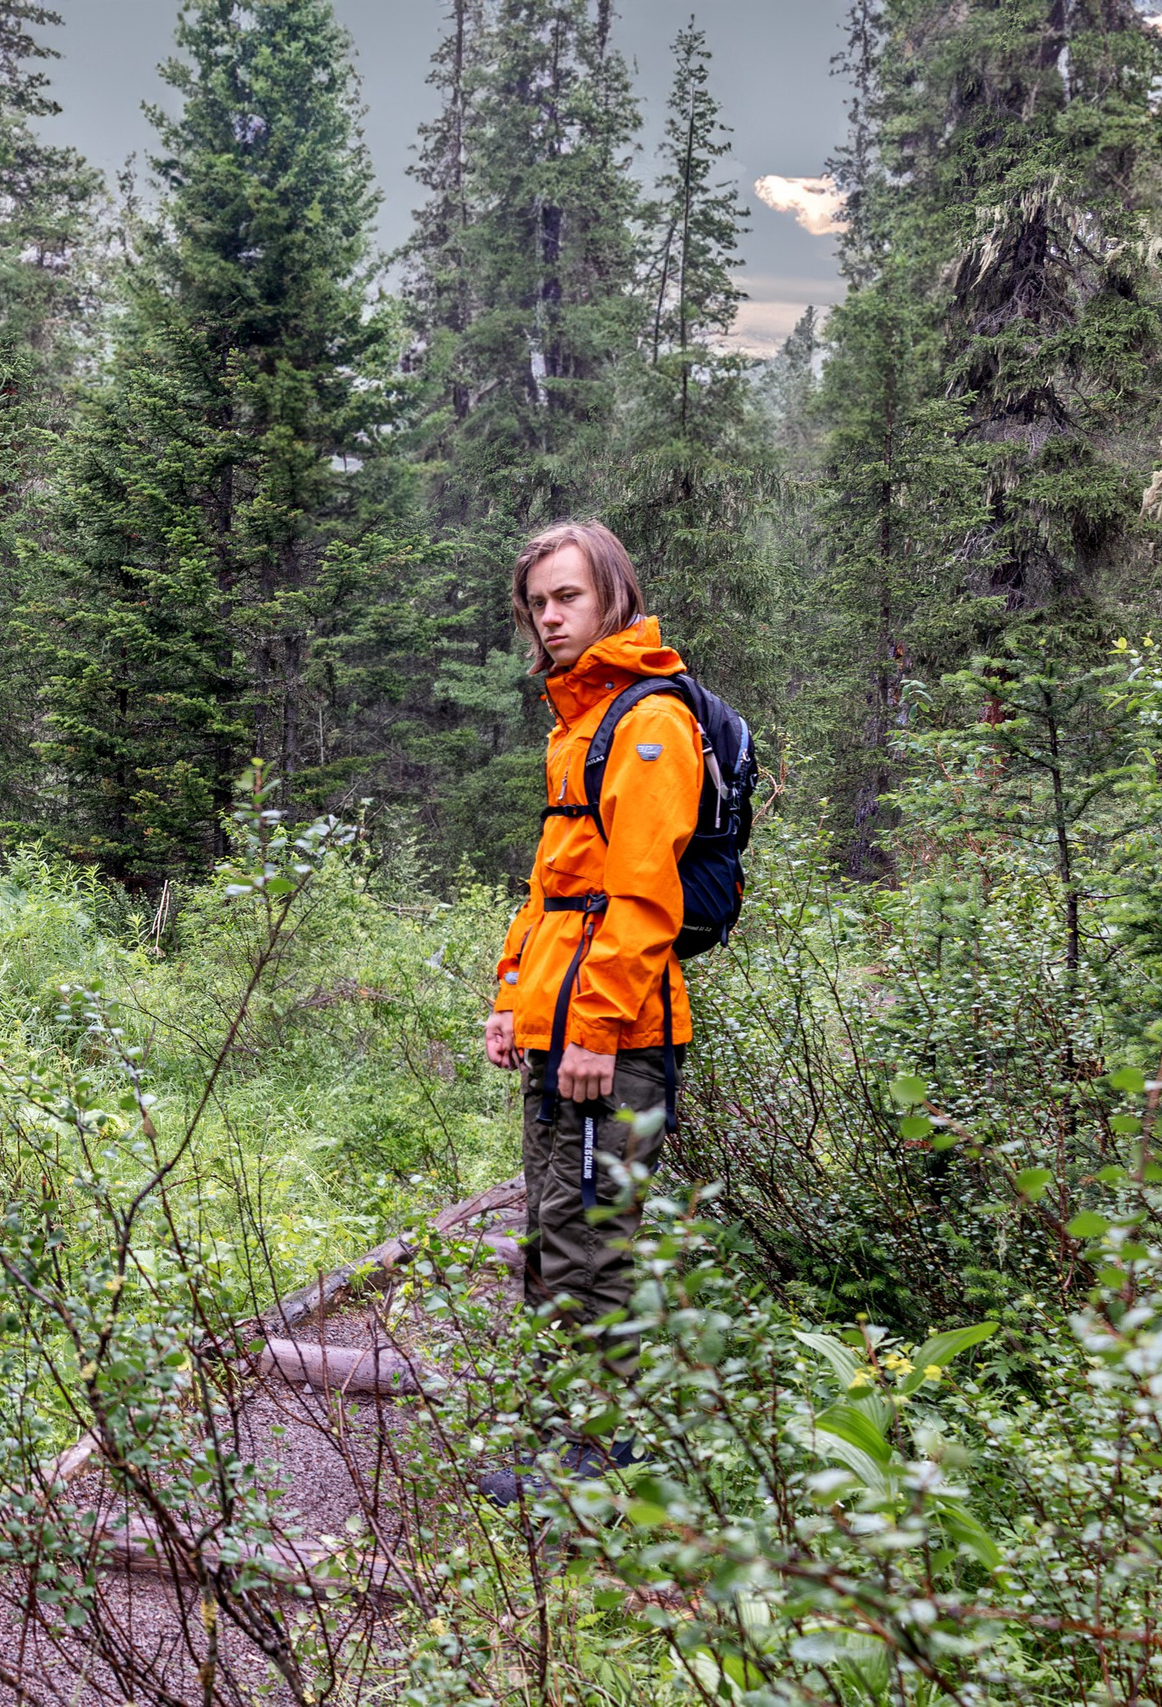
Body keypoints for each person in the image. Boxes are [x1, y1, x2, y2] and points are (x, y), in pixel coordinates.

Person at [477, 521, 698, 1504]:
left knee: (594, 1241)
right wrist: (510, 998)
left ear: (612, 594)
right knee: (554, 1229)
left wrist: (596, 1029)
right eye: (538, 603)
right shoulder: (578, 724)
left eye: (567, 596)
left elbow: (644, 897)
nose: (551, 617)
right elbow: (553, 888)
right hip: (560, 1028)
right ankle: (560, 1438)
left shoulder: (647, 723)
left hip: (615, 1037)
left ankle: (599, 1460)